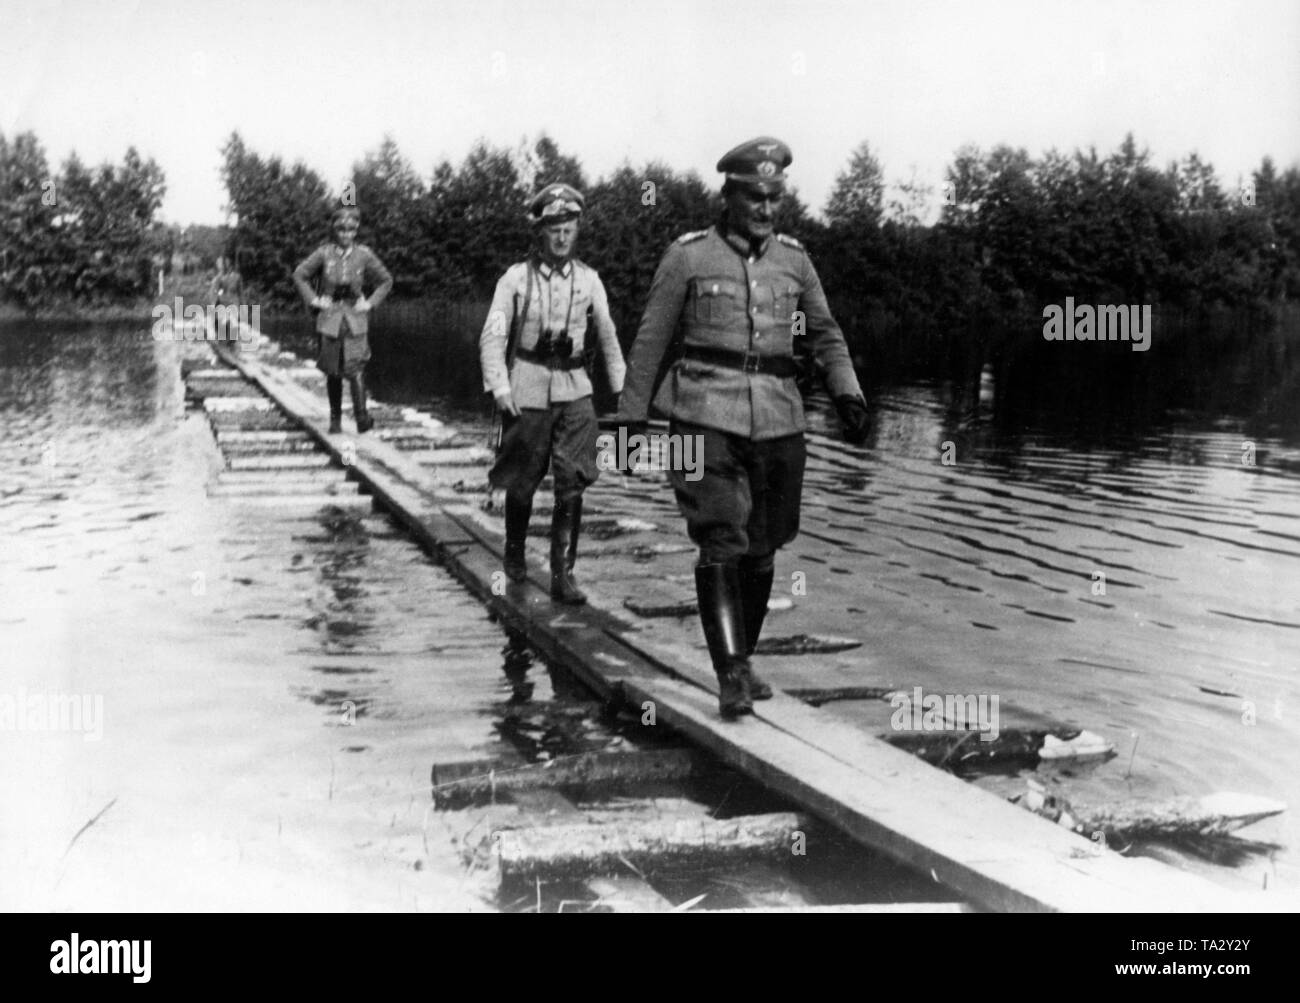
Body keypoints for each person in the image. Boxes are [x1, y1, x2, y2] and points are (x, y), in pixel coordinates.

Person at [615, 137, 871, 720]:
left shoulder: (795, 261)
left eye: (774, 197)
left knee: (765, 545)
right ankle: (728, 674)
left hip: (779, 417)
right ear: (727, 195)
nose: (765, 208)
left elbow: (825, 334)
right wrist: (632, 422)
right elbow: (651, 340)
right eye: (754, 196)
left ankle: (745, 658)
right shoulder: (688, 257)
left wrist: (848, 391)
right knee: (721, 538)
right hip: (701, 414)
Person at [479, 183, 626, 605]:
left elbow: (609, 338)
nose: (562, 237)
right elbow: (493, 336)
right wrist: (500, 386)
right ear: (540, 232)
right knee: (523, 479)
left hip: (575, 387)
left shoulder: (589, 280)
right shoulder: (515, 278)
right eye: (553, 229)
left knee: (574, 478)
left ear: (578, 230)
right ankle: (514, 551)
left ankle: (563, 572)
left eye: (569, 228)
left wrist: (625, 396)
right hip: (526, 384)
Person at [292, 207, 393, 434]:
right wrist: (315, 300)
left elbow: (386, 280)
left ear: (355, 231)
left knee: (356, 367)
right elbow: (299, 275)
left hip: (355, 320)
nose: (346, 235)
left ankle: (361, 418)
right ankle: (335, 421)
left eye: (350, 230)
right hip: (329, 320)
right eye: (341, 230)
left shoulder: (364, 254)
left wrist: (370, 303)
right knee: (333, 370)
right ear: (334, 231)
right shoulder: (324, 254)